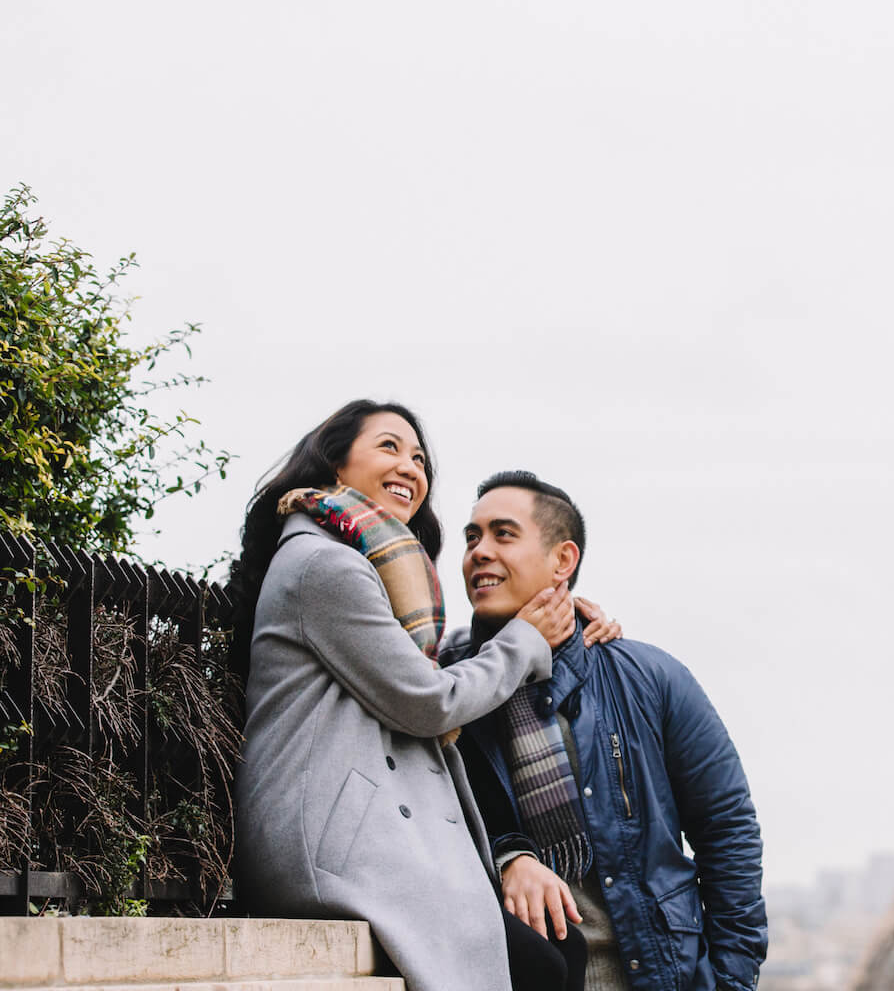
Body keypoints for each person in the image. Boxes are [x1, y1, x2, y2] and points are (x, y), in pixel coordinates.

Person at [231, 401, 615, 991]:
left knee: (557, 951)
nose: (411, 466)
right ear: (335, 463)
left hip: (381, 836)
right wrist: (527, 640)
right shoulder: (324, 565)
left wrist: (563, 620)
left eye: (419, 458)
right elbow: (427, 700)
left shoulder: (365, 564)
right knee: (543, 964)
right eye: (389, 447)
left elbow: (437, 671)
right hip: (338, 843)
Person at [442, 471, 767, 990]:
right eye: (471, 537)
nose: (479, 551)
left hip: (651, 973)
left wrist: (730, 980)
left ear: (563, 560)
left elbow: (726, 831)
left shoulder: (649, 678)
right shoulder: (445, 687)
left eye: (503, 534)